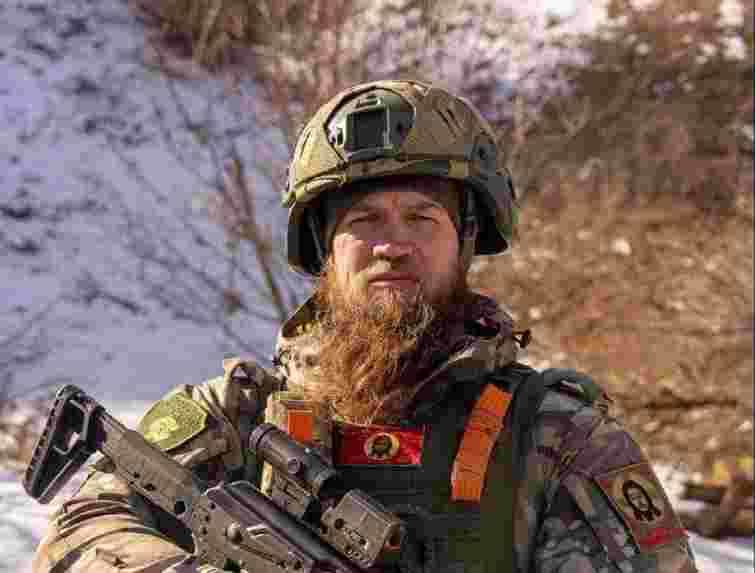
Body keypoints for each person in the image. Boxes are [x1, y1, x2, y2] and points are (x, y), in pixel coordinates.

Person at [32, 80, 698, 572]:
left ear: (465, 241)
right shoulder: (233, 416)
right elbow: (80, 529)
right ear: (324, 248)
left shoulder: (559, 439)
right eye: (364, 219)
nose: (392, 245)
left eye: (421, 218)